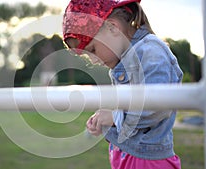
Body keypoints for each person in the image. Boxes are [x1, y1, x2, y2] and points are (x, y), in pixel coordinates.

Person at [62, 0, 183, 169]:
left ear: (112, 27)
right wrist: (105, 120)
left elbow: (156, 107)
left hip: (147, 161)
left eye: (92, 50)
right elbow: (129, 106)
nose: (93, 61)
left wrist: (114, 117)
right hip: (129, 155)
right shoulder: (126, 59)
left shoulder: (150, 52)